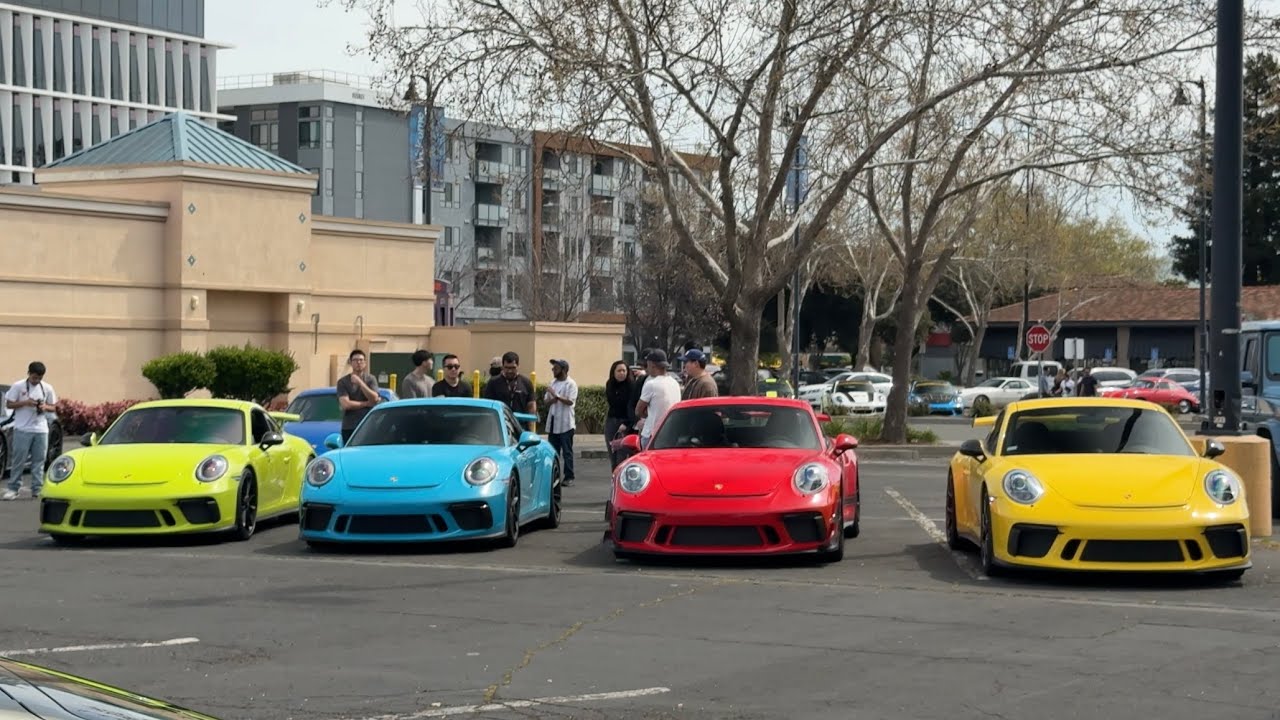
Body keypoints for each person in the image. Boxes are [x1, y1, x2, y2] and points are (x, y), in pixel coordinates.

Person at [3, 362, 57, 500]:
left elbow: (54, 407)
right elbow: (9, 403)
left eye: (39, 378)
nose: (36, 380)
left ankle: (37, 489)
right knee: (18, 460)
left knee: (39, 461)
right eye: (34, 378)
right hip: (22, 429)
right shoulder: (18, 386)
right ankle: (13, 489)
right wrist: (25, 403)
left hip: (41, 429)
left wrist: (44, 406)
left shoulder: (47, 388)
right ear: (29, 373)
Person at [635, 350, 681, 448]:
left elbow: (638, 411)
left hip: (652, 433)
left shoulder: (651, 384)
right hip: (672, 433)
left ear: (652, 365)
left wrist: (647, 413)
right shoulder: (675, 383)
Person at [544, 359, 578, 486]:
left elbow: (570, 401)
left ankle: (569, 476)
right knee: (553, 451)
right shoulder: (553, 382)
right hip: (553, 421)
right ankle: (554, 475)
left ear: (563, 370)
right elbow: (546, 401)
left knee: (567, 451)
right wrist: (553, 399)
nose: (553, 370)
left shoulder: (571, 384)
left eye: (556, 368)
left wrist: (556, 395)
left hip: (566, 423)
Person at [337, 349, 381, 443]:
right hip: (350, 426)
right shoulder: (343, 382)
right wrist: (367, 403)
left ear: (365, 363)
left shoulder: (371, 379)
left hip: (369, 425)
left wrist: (360, 383)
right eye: (355, 360)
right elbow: (346, 404)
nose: (358, 362)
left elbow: (374, 398)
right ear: (350, 362)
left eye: (361, 360)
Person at [483, 351, 536, 428]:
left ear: (518, 366)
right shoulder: (493, 383)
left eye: (513, 368)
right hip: (499, 427)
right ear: (502, 366)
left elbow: (531, 406)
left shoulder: (526, 383)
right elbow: (487, 406)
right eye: (507, 367)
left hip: (521, 427)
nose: (509, 371)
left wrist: (530, 428)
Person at [604, 360, 636, 468]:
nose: (622, 373)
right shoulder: (610, 384)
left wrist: (627, 424)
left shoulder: (632, 386)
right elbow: (613, 402)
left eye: (624, 370)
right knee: (612, 455)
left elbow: (631, 407)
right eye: (619, 371)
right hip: (612, 421)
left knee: (621, 458)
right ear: (613, 372)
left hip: (625, 423)